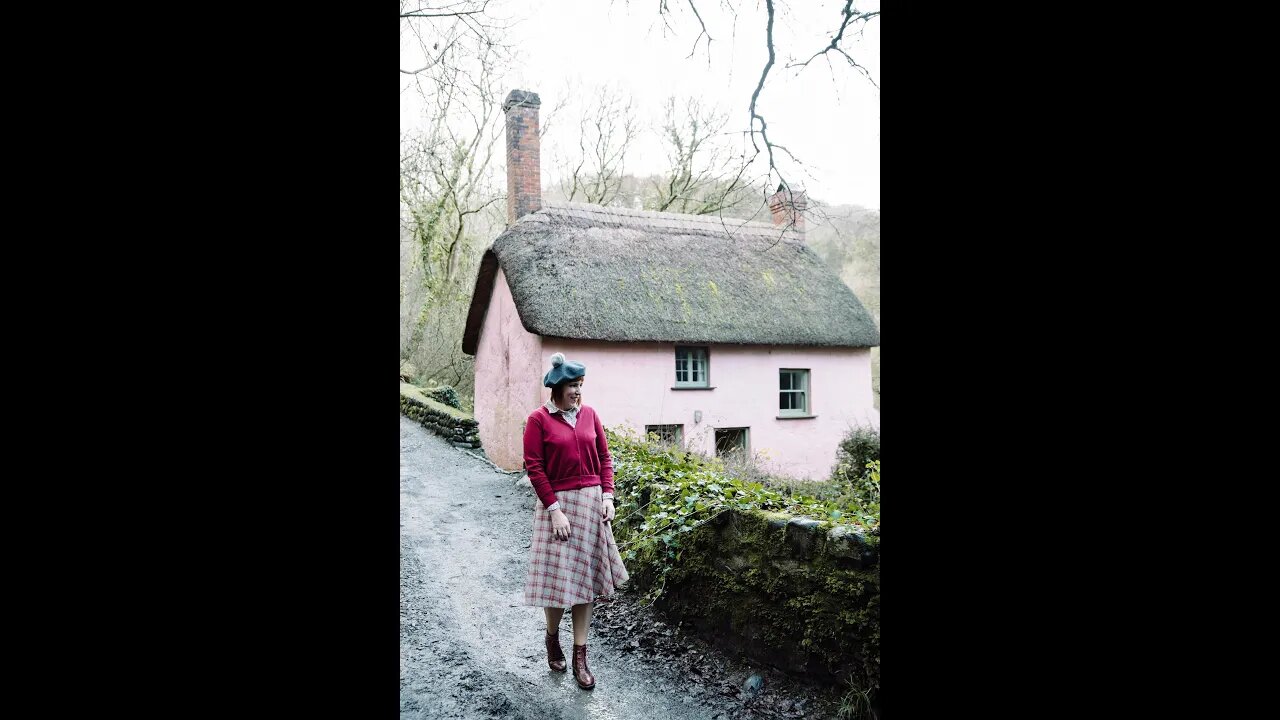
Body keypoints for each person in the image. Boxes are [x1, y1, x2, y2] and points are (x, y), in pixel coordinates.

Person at [522, 352, 629, 690]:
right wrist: (554, 510)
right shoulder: (538, 420)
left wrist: (608, 496)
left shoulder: (591, 415)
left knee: (586, 585)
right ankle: (552, 637)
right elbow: (535, 468)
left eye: (580, 385)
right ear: (556, 388)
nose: (578, 392)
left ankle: (580, 656)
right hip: (557, 506)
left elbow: (604, 458)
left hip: (591, 504)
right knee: (558, 585)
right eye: (572, 386)